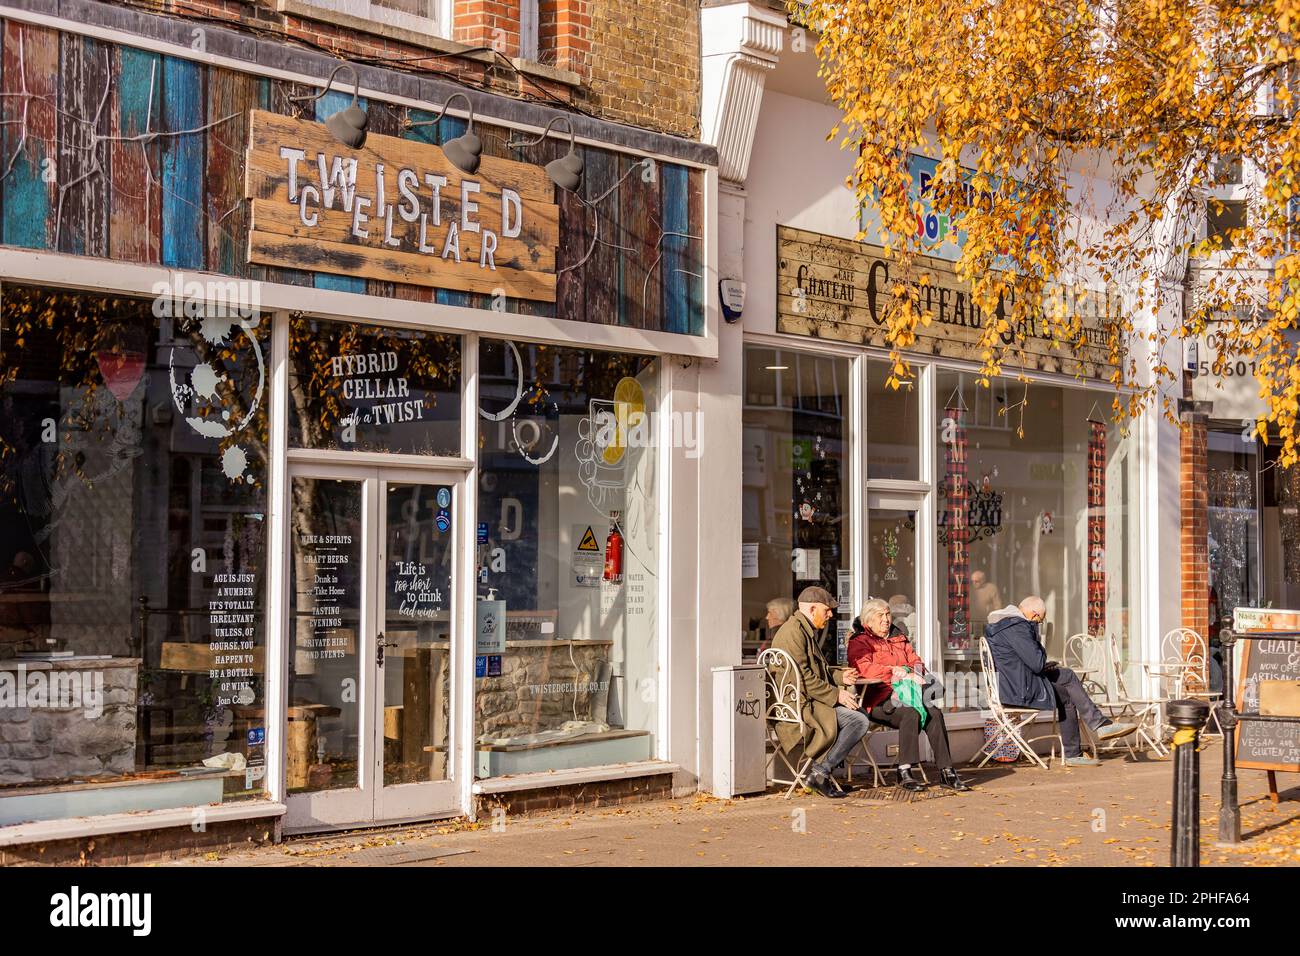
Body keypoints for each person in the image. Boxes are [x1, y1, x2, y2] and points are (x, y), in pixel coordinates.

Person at [984, 597, 1136, 766]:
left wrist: (1043, 663)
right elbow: (1037, 663)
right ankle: (1095, 729)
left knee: (1066, 689)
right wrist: (1035, 634)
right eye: (1040, 621)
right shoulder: (1017, 627)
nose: (1039, 623)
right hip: (1019, 690)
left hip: (1013, 684)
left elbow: (1026, 662)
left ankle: (1082, 745)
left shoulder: (1004, 625)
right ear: (1034, 615)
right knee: (1069, 679)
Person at [848, 598, 971, 792]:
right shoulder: (860, 641)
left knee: (935, 713)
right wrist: (893, 671)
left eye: (888, 614)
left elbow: (917, 663)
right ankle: (904, 771)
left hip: (909, 694)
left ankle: (947, 771)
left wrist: (909, 671)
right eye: (880, 615)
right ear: (868, 620)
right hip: (880, 700)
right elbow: (864, 668)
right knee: (910, 713)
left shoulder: (899, 638)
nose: (886, 619)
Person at [770, 585, 868, 798]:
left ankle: (824, 773)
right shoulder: (794, 633)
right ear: (812, 609)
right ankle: (820, 774)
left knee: (860, 715)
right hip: (798, 706)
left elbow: (817, 671)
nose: (831, 615)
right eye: (827, 610)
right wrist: (838, 695)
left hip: (807, 700)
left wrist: (840, 677)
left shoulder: (802, 628)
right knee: (858, 721)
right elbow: (804, 678)